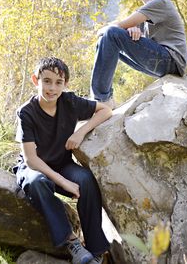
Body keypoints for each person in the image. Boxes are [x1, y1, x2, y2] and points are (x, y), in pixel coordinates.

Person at [13, 57, 112, 264]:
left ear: (65, 84)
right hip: (35, 167)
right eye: (46, 81)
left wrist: (81, 132)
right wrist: (63, 181)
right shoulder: (26, 113)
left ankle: (96, 250)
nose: (52, 88)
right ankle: (72, 242)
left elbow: (106, 110)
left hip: (62, 163)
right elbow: (31, 159)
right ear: (35, 80)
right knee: (37, 182)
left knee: (85, 179)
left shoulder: (69, 101)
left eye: (59, 82)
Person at [90, 0, 187, 108]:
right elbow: (129, 30)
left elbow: (118, 27)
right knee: (106, 41)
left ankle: (101, 100)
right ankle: (106, 98)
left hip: (171, 60)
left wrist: (112, 28)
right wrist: (131, 28)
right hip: (161, 61)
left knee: (110, 34)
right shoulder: (146, 12)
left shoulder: (160, 2)